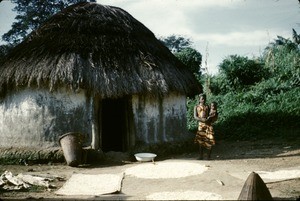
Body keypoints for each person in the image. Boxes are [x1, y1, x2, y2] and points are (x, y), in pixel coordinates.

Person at [194, 94, 218, 160]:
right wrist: (202, 119)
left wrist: (211, 117)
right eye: (202, 99)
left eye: (204, 98)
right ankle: (200, 156)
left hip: (208, 124)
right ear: (199, 99)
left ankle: (208, 156)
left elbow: (211, 113)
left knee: (210, 139)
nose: (203, 100)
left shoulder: (207, 106)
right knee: (200, 141)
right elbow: (195, 116)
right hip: (201, 125)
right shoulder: (196, 107)